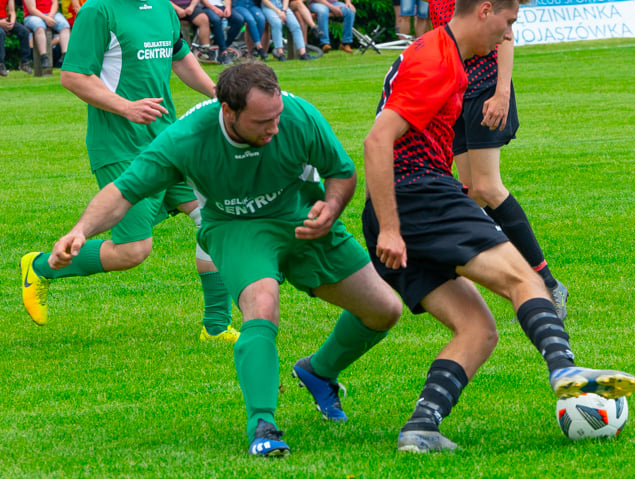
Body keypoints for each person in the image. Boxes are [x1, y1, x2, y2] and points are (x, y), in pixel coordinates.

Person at [47, 61, 403, 457]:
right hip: (236, 228)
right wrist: (80, 231)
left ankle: (318, 372)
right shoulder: (187, 138)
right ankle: (263, 425)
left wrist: (332, 207)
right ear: (228, 111)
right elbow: (124, 192)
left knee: (384, 310)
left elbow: (342, 171)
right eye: (262, 122)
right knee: (262, 306)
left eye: (276, 116)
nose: (274, 128)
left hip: (304, 220)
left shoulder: (297, 116)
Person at [363, 0, 635, 453]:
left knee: (478, 329)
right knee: (527, 280)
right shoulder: (437, 61)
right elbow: (376, 140)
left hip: (415, 200)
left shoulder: (446, 54)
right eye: (507, 22)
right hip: (418, 196)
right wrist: (391, 227)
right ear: (484, 10)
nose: (509, 34)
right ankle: (564, 368)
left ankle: (421, 427)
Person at [20, 0, 236, 344]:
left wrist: (222, 94)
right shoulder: (99, 10)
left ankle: (215, 327)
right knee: (134, 251)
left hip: (168, 141)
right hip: (119, 146)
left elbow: (180, 59)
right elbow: (74, 76)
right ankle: (39, 266)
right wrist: (126, 107)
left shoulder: (159, 6)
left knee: (215, 218)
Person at [368, 0, 570, 321]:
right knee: (469, 189)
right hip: (450, 68)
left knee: (487, 188)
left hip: (482, 72)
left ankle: (545, 281)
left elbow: (502, 20)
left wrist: (501, 90)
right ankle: (487, 272)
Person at [22, 0, 70, 69]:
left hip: (50, 13)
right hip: (33, 15)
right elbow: (32, 9)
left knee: (64, 25)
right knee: (39, 27)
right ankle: (44, 56)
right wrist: (46, 18)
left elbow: (55, 3)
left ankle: (65, 55)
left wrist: (51, 16)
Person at [0, 0, 34, 76]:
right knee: (0, 33)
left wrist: (12, 22)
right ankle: (1, 64)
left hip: (5, 19)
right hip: (1, 22)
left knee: (24, 31)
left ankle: (25, 62)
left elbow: (12, 11)